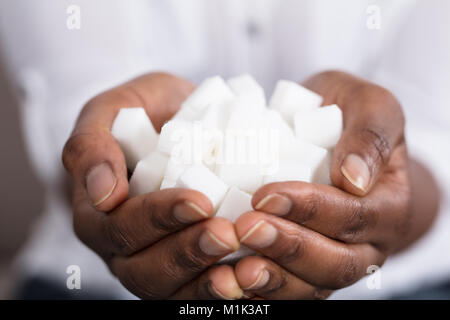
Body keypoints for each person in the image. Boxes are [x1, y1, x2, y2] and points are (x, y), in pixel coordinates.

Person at [0, 0, 448, 299]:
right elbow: (85, 128)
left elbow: (432, 136)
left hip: (406, 285)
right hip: (89, 283)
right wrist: (101, 180)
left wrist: (384, 200)